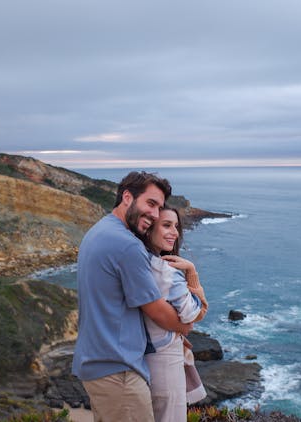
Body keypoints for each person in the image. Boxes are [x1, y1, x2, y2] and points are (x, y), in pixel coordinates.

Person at [72, 171, 193, 422]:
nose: (155, 214)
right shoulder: (127, 245)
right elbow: (160, 313)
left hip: (97, 363)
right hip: (118, 371)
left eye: (159, 207)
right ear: (127, 197)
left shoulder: (99, 230)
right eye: (150, 203)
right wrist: (187, 324)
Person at [142, 207, 209, 422]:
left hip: (144, 359)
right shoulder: (165, 272)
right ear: (148, 228)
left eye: (176, 226)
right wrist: (191, 272)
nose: (175, 232)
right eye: (167, 225)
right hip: (165, 362)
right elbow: (194, 314)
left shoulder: (139, 264)